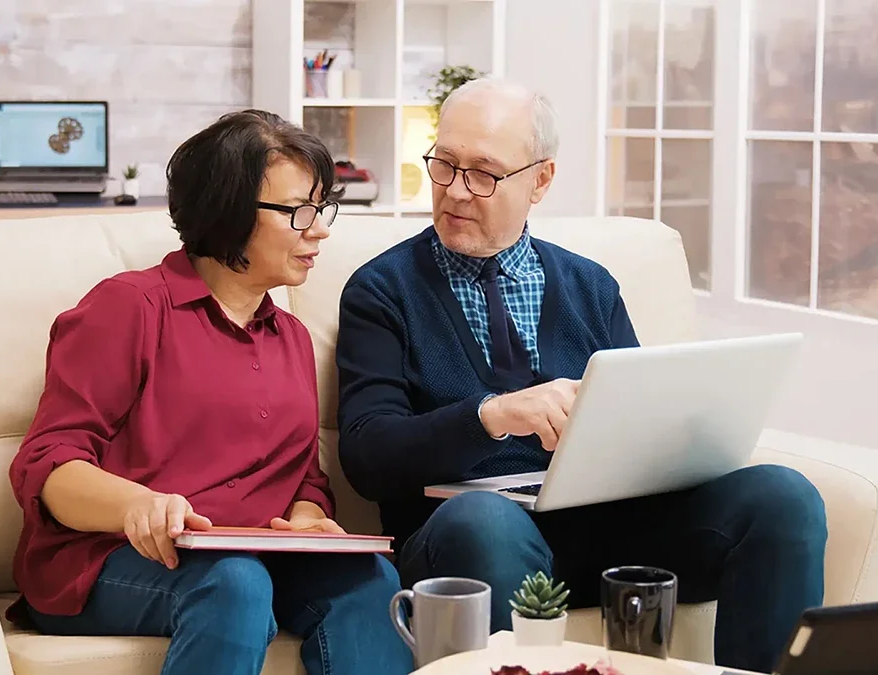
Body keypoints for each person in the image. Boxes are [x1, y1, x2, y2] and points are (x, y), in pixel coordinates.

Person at [334, 77, 828, 673]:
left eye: (484, 173)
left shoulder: (590, 285)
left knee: (783, 495)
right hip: (473, 535)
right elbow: (366, 454)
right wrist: (489, 416)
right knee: (484, 520)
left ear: (540, 180)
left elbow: (642, 425)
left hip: (606, 532)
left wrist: (681, 437)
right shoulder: (381, 291)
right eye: (445, 165)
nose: (457, 191)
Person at [8, 109, 413, 675]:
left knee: (369, 580)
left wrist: (304, 520)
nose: (319, 229)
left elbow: (304, 479)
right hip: (111, 561)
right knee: (233, 581)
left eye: (322, 209)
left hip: (251, 555)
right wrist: (138, 506)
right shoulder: (130, 308)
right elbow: (49, 464)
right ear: (229, 211)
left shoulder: (291, 336)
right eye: (298, 211)